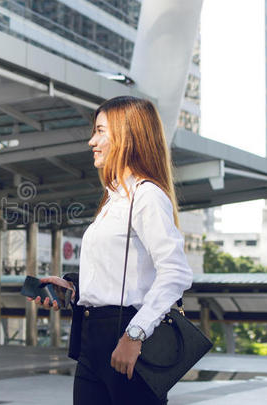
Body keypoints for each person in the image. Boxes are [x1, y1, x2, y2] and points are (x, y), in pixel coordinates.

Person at [30, 96, 193, 404]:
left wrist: (135, 335)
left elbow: (176, 272)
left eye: (101, 131)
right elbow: (120, 274)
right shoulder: (113, 201)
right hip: (93, 340)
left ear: (128, 136)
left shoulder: (146, 197)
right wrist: (73, 288)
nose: (92, 141)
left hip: (126, 337)